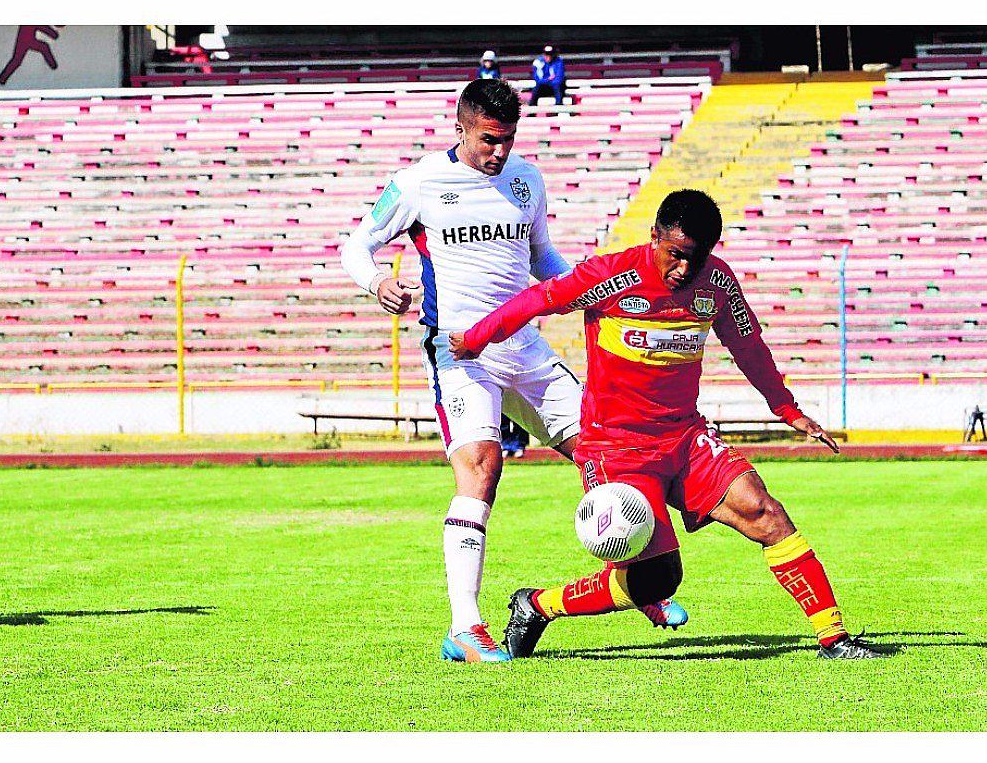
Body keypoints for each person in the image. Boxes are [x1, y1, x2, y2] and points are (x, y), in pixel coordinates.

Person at [451, 190, 893, 660]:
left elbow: (750, 349)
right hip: (615, 448)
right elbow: (538, 299)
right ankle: (537, 605)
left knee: (766, 513)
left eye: (696, 259)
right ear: (655, 237)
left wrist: (787, 409)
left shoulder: (718, 285)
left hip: (685, 438)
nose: (684, 270)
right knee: (660, 577)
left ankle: (835, 638)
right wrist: (477, 338)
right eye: (675, 255)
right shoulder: (609, 277)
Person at [339, 79, 685, 663]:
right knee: (482, 466)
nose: (498, 152)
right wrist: (378, 282)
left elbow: (542, 259)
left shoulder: (526, 179)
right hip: (458, 349)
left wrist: (597, 289)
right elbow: (357, 244)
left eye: (508, 139)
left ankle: (633, 575)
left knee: (604, 447)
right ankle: (465, 627)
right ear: (461, 129)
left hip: (523, 346)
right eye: (488, 140)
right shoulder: (420, 183)